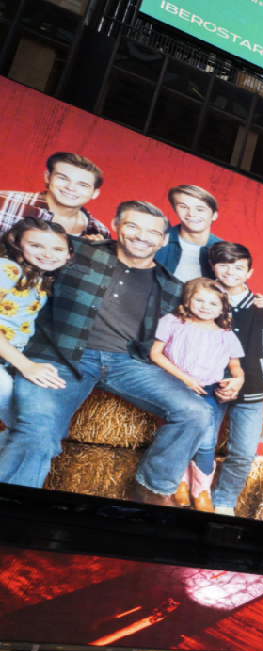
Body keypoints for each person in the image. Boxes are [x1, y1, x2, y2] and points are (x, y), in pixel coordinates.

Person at [0, 201, 215, 506]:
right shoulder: (74, 252)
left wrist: (256, 304)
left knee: (196, 411)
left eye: (153, 232)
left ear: (164, 240)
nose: (142, 236)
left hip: (128, 363)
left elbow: (211, 311)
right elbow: (26, 250)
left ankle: (153, 490)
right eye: (132, 226)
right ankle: (11, 510)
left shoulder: (172, 286)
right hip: (60, 357)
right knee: (39, 430)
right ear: (115, 224)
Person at [149, 277, 244, 511]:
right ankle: (180, 482)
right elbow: (156, 354)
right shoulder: (173, 322)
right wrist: (184, 378)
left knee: (206, 440)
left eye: (213, 303)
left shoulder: (225, 334)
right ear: (187, 300)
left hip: (208, 390)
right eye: (198, 299)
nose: (204, 306)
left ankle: (201, 491)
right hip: (175, 384)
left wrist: (238, 379)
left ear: (222, 308)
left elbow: (236, 367)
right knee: (180, 433)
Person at [205, 242, 263, 515]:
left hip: (251, 390)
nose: (230, 272)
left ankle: (224, 501)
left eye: (239, 267)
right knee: (202, 444)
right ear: (213, 267)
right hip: (207, 385)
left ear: (250, 272)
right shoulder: (202, 302)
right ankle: (198, 492)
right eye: (224, 265)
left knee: (244, 453)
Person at [0, 218, 71, 419]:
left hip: (7, 359)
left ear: (68, 255)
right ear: (17, 244)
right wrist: (26, 365)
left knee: (34, 422)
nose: (48, 254)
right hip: (11, 360)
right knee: (28, 420)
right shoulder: (7, 268)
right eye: (36, 245)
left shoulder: (41, 280)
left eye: (58, 249)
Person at [0, 152, 110, 239]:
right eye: (62, 178)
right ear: (48, 177)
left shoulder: (100, 231)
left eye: (82, 185)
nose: (70, 187)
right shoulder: (4, 202)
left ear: (94, 193)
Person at [155, 185, 222, 284]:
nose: (191, 214)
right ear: (174, 209)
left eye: (200, 209)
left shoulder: (223, 250)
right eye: (183, 207)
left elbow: (236, 291)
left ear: (214, 215)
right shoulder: (157, 239)